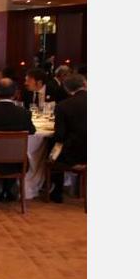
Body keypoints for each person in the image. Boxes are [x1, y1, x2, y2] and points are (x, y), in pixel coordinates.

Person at [49, 73, 87, 203]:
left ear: (66, 89)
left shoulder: (63, 106)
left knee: (53, 149)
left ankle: (57, 191)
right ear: (85, 84)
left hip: (73, 154)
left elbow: (59, 136)